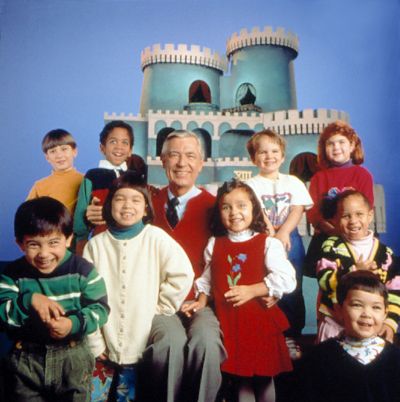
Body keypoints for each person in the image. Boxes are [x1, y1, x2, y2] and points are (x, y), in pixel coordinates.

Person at [83, 172, 194, 402]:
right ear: (109, 204)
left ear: (145, 209)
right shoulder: (96, 246)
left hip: (140, 343)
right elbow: (86, 298)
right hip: (104, 343)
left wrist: (160, 308)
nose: (127, 206)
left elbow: (183, 274)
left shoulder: (156, 238)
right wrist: (95, 343)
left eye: (135, 200)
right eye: (120, 199)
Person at [183, 179, 296, 402]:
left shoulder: (267, 244)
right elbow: (208, 277)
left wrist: (254, 290)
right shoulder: (215, 243)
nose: (234, 212)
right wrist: (202, 300)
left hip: (259, 324)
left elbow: (287, 278)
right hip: (232, 324)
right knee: (240, 380)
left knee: (263, 379)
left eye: (241, 205)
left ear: (254, 209)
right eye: (226, 207)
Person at [143, 130, 226, 402]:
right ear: (163, 160)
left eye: (190, 156)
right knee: (169, 344)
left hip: (201, 301)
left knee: (207, 344)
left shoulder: (217, 208)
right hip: (157, 303)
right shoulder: (144, 205)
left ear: (201, 163)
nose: (182, 163)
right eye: (174, 155)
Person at [0, 197, 109, 402]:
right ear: (20, 243)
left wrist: (72, 324)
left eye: (53, 242)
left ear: (68, 239)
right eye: (33, 244)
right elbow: (2, 314)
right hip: (26, 360)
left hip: (73, 358)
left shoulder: (83, 271)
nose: (44, 253)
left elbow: (100, 309)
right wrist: (29, 300)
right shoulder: (12, 274)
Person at [246, 129, 313, 357]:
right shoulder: (251, 185)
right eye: (262, 152)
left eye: (274, 151)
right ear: (254, 158)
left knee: (293, 287)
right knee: (266, 284)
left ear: (283, 156)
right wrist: (271, 233)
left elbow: (298, 208)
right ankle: (269, 333)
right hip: (263, 238)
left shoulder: (292, 182)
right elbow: (257, 212)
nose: (269, 156)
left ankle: (292, 334)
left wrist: (283, 231)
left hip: (289, 238)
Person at [294, 270, 400, 402]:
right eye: (357, 305)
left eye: (376, 307)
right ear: (339, 311)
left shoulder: (396, 359)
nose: (367, 314)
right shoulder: (319, 358)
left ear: (385, 313)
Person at [316, 189, 400, 343]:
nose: (353, 221)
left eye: (359, 214)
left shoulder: (386, 254)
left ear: (370, 215)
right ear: (335, 220)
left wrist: (390, 322)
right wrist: (353, 272)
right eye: (346, 216)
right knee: (331, 364)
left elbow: (395, 291)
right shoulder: (331, 246)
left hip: (370, 326)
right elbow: (324, 279)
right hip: (335, 323)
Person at [304, 120, 374, 277]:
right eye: (330, 144)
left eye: (341, 142)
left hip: (355, 236)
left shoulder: (362, 175)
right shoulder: (319, 178)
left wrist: (348, 230)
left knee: (357, 278)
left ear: (352, 145)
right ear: (324, 149)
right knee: (327, 280)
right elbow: (312, 211)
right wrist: (332, 230)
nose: (336, 147)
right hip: (326, 237)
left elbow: (368, 206)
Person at [73, 120, 136, 255]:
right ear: (102, 148)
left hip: (131, 243)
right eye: (113, 141)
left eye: (125, 142)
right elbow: (81, 213)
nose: (119, 147)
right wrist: (81, 241)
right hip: (101, 242)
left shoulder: (134, 178)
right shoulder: (93, 176)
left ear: (130, 150)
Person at [27, 128, 83, 214]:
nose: (59, 155)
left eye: (64, 149)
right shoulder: (39, 186)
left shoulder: (86, 181)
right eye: (53, 151)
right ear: (47, 157)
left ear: (74, 152)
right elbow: (26, 215)